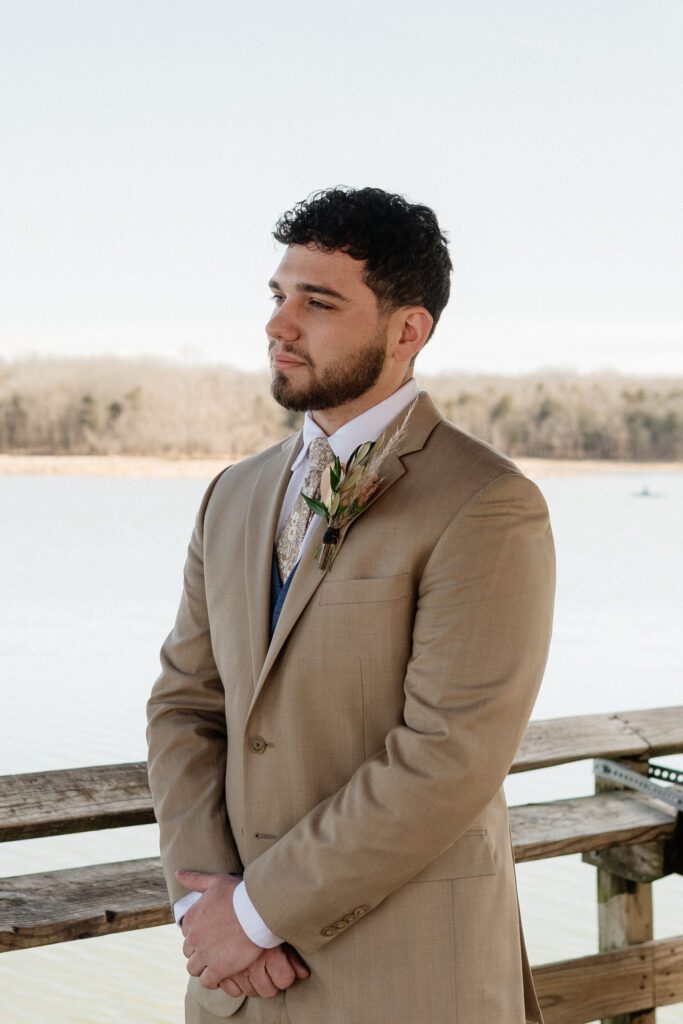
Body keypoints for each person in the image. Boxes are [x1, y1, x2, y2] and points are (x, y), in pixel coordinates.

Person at [146, 186, 555, 1024]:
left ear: (407, 331)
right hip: (233, 981)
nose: (278, 325)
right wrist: (204, 903)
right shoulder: (232, 494)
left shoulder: (486, 504)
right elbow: (184, 704)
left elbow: (447, 757)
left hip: (404, 980)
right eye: (277, 296)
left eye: (317, 301)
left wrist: (260, 912)